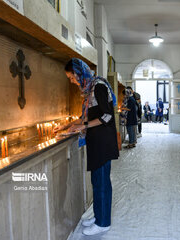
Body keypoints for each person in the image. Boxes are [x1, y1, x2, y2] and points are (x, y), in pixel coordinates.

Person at [55, 58, 119, 235]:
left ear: (78, 72)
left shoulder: (98, 87)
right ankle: (99, 215)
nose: (72, 81)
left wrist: (84, 126)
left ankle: (103, 222)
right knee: (97, 181)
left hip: (103, 143)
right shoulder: (90, 89)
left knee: (102, 183)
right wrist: (68, 125)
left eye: (71, 77)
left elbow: (107, 116)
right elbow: (87, 117)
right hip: (97, 142)